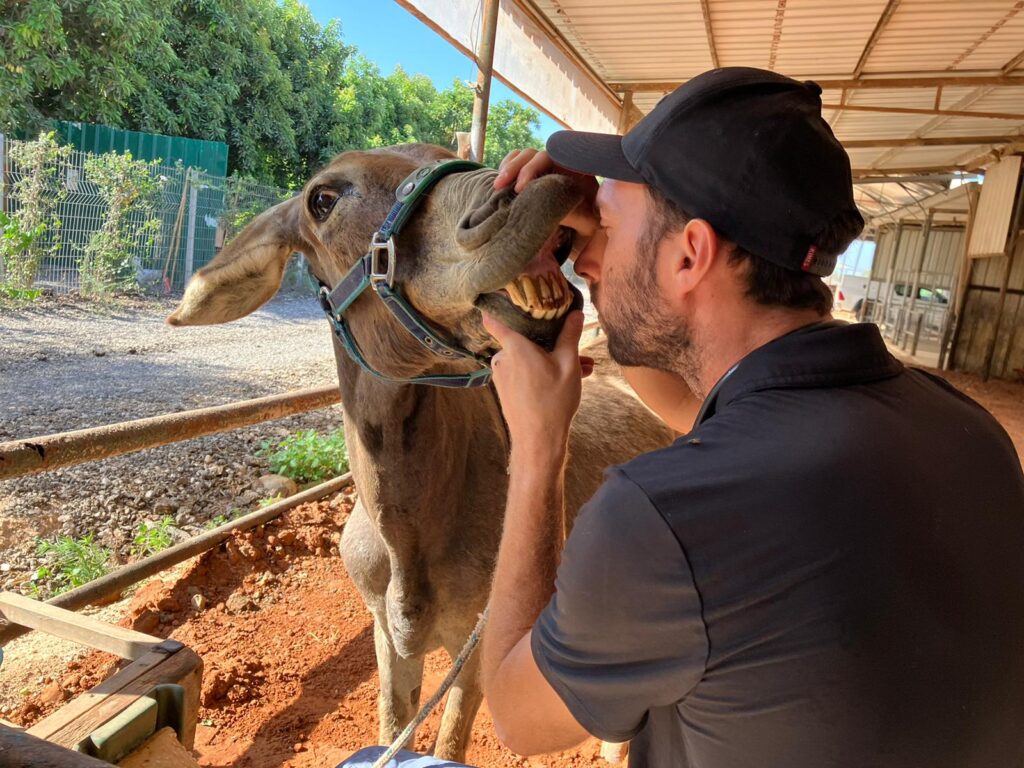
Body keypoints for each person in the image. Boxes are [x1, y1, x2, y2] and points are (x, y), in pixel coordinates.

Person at [478, 67, 1024, 767]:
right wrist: (609, 216)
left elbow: (516, 716)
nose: (586, 254)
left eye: (606, 231)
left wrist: (536, 450)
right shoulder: (963, 426)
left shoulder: (661, 519)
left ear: (691, 254)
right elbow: (695, 408)